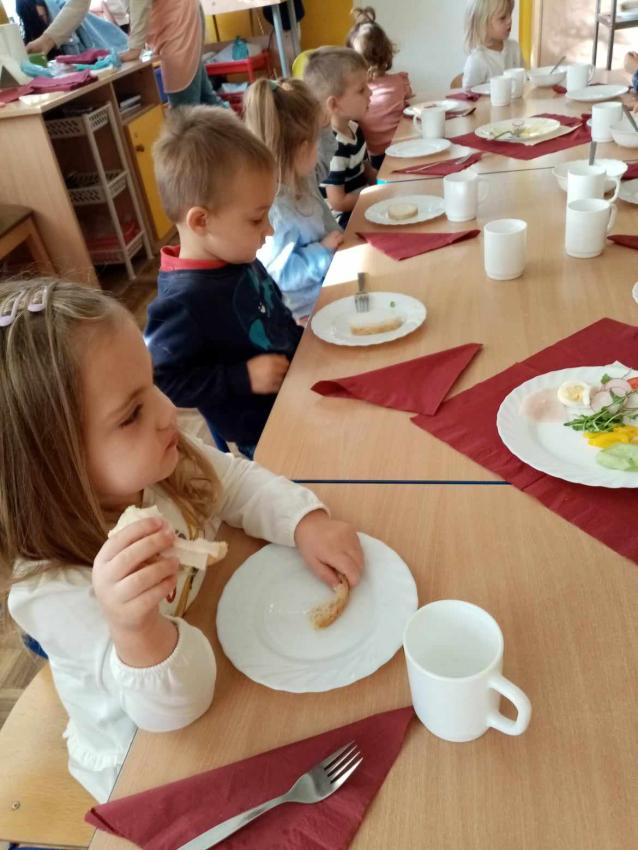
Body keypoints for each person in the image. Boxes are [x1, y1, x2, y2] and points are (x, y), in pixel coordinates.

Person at [2, 278, 364, 803]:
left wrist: (304, 521)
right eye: (131, 414)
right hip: (145, 753)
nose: (168, 411)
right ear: (51, 469)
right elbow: (175, 710)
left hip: (212, 647)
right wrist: (137, 631)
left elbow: (234, 482)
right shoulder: (57, 594)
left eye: (151, 382)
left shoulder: (158, 467)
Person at [146, 106, 302, 459]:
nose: (269, 230)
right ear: (201, 221)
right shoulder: (182, 302)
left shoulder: (235, 253)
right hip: (264, 431)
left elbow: (271, 311)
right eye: (256, 219)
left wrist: (300, 339)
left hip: (297, 388)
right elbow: (165, 381)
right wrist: (242, 377)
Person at [244, 78, 344, 324]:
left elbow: (322, 162)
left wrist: (324, 127)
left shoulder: (300, 177)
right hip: (306, 312)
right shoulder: (278, 211)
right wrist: (323, 251)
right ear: (302, 149)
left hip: (329, 283)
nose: (318, 150)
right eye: (316, 142)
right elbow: (283, 273)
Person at [25, 0, 222, 107]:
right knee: (206, 100)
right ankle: (240, 152)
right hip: (165, 19)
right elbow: (78, 4)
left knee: (184, 114)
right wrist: (46, 40)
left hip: (177, 16)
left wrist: (134, 47)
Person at [303, 46, 376, 227]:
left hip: (361, 207)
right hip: (343, 222)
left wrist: (385, 184)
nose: (370, 92)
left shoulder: (354, 128)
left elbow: (366, 169)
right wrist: (374, 197)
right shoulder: (333, 147)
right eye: (361, 90)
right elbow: (338, 202)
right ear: (334, 105)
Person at [346, 6, 413, 170]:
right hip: (406, 149)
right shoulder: (400, 82)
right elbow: (410, 99)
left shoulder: (355, 95)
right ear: (387, 53)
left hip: (376, 158)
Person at [462, 0, 525, 90]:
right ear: (483, 24)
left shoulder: (515, 48)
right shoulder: (476, 60)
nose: (509, 21)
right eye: (502, 18)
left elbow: (524, 80)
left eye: (510, 14)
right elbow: (469, 95)